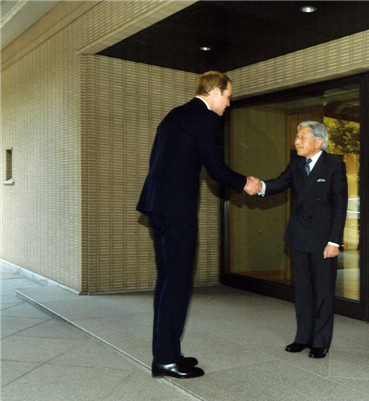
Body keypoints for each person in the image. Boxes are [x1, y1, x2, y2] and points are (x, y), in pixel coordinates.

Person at [136, 71, 261, 379]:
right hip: (177, 212)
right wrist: (246, 183)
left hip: (157, 208)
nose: (229, 104)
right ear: (215, 91)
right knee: (177, 285)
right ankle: (166, 360)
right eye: (228, 96)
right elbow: (216, 169)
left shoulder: (175, 114)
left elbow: (159, 162)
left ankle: (167, 353)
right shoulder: (205, 118)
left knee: (166, 283)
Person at [257, 121, 348, 359]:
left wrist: (334, 242)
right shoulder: (297, 164)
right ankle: (303, 337)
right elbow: (280, 182)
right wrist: (260, 187)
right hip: (299, 236)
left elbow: (340, 206)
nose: (297, 141)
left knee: (323, 291)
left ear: (318, 142)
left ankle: (321, 341)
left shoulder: (334, 165)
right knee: (303, 291)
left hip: (322, 241)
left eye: (302, 136)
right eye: (297, 136)